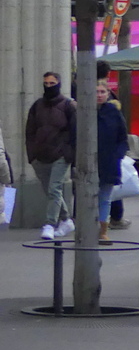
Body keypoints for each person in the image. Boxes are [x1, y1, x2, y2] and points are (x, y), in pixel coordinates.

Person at [25, 70, 77, 241]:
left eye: (52, 83)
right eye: (46, 83)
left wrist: (69, 153)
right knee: (50, 190)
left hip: (60, 154)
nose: (48, 86)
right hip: (40, 155)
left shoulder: (68, 105)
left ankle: (50, 223)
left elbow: (75, 131)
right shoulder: (37, 106)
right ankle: (66, 219)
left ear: (59, 84)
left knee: (54, 188)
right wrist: (32, 155)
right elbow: (30, 130)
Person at [94, 83, 130, 244]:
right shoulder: (83, 112)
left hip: (109, 161)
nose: (100, 95)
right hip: (88, 162)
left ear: (108, 93)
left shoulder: (113, 112)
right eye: (96, 92)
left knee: (105, 197)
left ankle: (103, 231)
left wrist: (117, 156)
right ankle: (86, 228)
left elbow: (122, 137)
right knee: (86, 197)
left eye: (103, 92)